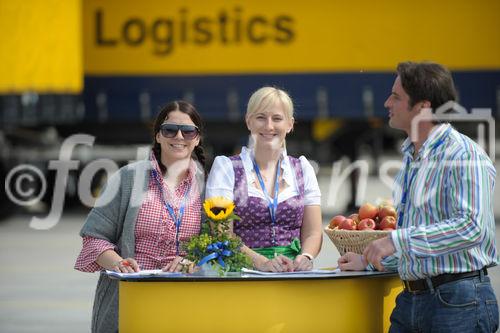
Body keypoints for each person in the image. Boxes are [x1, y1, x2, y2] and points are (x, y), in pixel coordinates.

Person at [338, 61, 499, 332]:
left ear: (423, 107)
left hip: (459, 304)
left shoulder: (463, 155)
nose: (387, 102)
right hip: (413, 301)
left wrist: (396, 240)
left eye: (396, 96)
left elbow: (472, 228)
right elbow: (418, 243)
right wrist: (368, 262)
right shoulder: (412, 157)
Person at [74, 101, 206, 333]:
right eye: (169, 129)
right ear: (158, 136)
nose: (179, 136)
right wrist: (118, 263)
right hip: (129, 300)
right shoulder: (126, 179)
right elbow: (93, 238)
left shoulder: (208, 187)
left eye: (187, 131)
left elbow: (219, 247)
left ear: (197, 138)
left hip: (186, 304)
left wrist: (194, 262)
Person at [206, 86, 323, 272]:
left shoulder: (303, 168)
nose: (269, 126)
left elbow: (314, 232)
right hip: (243, 274)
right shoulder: (225, 168)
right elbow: (221, 234)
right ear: (248, 122)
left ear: (290, 124)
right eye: (260, 117)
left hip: (292, 275)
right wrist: (260, 263)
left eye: (277, 118)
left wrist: (306, 256)